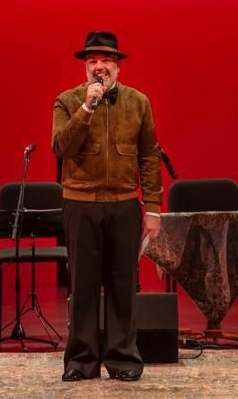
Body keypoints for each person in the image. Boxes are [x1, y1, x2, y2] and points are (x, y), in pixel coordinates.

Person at [52, 31, 162, 382]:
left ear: (118, 66)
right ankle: (81, 361)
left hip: (123, 205)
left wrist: (153, 207)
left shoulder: (138, 102)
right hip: (80, 204)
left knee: (122, 284)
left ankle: (122, 358)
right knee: (83, 285)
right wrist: (87, 107)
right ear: (85, 68)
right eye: (92, 61)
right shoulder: (67, 101)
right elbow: (62, 147)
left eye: (106, 61)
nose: (99, 67)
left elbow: (150, 156)